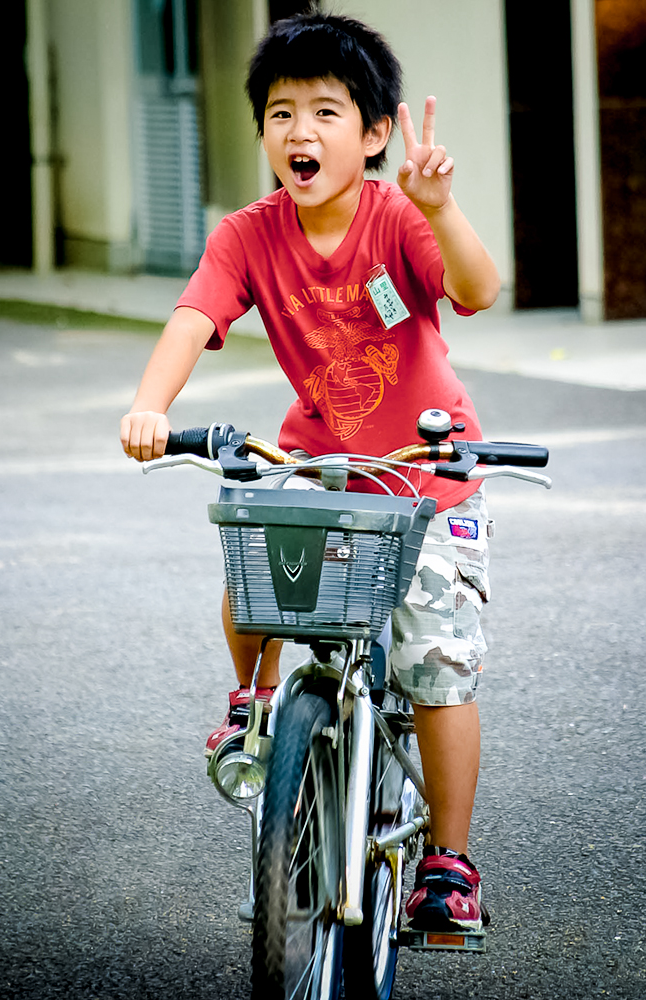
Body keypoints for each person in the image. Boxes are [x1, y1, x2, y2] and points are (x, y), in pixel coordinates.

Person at [120, 12, 501, 935]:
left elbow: (477, 291)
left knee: (434, 659)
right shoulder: (249, 235)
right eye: (281, 112)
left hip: (425, 468)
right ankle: (254, 708)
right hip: (320, 454)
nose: (300, 132)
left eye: (327, 112)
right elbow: (191, 318)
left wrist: (441, 207)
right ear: (261, 132)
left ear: (373, 135)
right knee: (253, 541)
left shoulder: (397, 215)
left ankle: (447, 864)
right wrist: (151, 407)